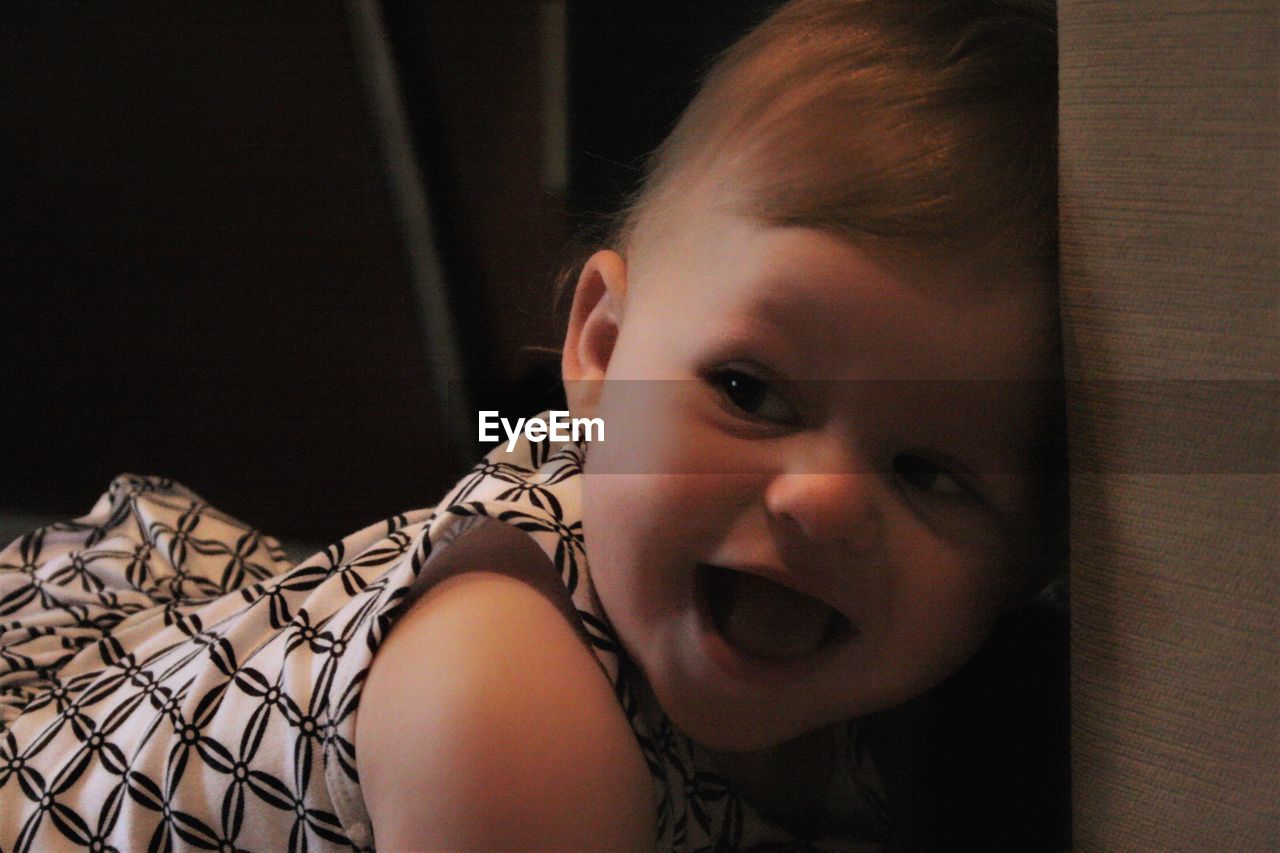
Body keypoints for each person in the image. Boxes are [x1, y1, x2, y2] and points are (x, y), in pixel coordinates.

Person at [0, 0, 1063, 848]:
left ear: (1039, 553)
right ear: (598, 351)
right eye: (746, 390)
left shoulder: (910, 701)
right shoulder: (511, 710)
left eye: (927, 470)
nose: (824, 501)